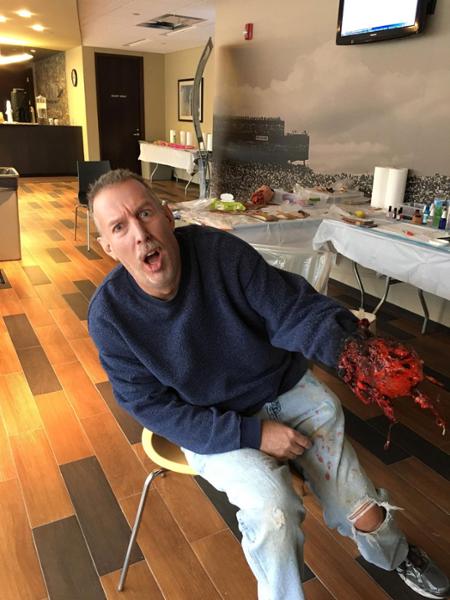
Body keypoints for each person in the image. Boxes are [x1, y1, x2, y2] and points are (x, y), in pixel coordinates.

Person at [88, 169, 449, 600]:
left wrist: (348, 347)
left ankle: (396, 554)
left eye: (145, 213)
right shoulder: (110, 317)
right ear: (108, 246)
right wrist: (254, 434)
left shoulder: (221, 253)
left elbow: (292, 309)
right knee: (273, 510)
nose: (140, 234)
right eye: (119, 227)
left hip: (284, 390)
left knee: (362, 508)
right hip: (212, 422)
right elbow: (153, 408)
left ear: (168, 215)